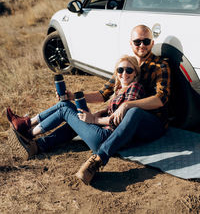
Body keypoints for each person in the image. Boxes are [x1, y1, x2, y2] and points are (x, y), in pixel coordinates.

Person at [8, 24, 171, 185]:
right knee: (76, 117)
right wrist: (74, 97)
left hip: (151, 123)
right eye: (137, 42)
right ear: (131, 43)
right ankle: (36, 143)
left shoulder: (159, 66)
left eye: (146, 41)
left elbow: (160, 99)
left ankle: (98, 159)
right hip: (123, 127)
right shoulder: (125, 66)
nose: (141, 45)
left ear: (152, 43)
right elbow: (102, 95)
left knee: (132, 112)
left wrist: (120, 109)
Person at [7, 55, 144, 165]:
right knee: (71, 117)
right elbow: (111, 108)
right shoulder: (120, 89)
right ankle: (37, 145)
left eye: (129, 70)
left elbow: (122, 120)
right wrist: (99, 113)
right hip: (102, 133)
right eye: (120, 70)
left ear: (135, 73)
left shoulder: (135, 87)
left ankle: (28, 131)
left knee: (65, 109)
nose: (124, 73)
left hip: (106, 138)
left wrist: (94, 119)